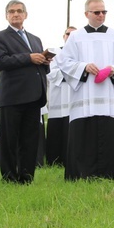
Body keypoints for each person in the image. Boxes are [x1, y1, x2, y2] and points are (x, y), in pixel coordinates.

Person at [58, 0, 114, 180]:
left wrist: (113, 69)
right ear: (86, 14)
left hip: (108, 96)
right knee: (84, 136)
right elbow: (64, 61)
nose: (101, 15)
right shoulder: (76, 37)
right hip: (84, 96)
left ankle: (112, 174)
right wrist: (83, 67)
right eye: (96, 12)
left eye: (103, 12)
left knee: (110, 136)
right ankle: (81, 174)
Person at [0, 0, 50, 184]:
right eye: (11, 11)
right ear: (6, 16)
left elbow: (37, 66)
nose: (15, 14)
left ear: (26, 15)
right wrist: (29, 57)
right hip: (13, 96)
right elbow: (1, 62)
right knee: (10, 140)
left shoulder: (35, 39)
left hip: (34, 95)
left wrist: (44, 62)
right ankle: (9, 177)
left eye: (19, 11)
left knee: (30, 139)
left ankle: (27, 177)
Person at [46, 26, 77, 166]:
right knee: (57, 129)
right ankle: (55, 160)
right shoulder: (55, 53)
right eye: (67, 34)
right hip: (59, 96)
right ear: (63, 36)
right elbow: (51, 73)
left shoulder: (80, 54)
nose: (70, 36)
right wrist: (72, 73)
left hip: (74, 96)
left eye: (73, 34)